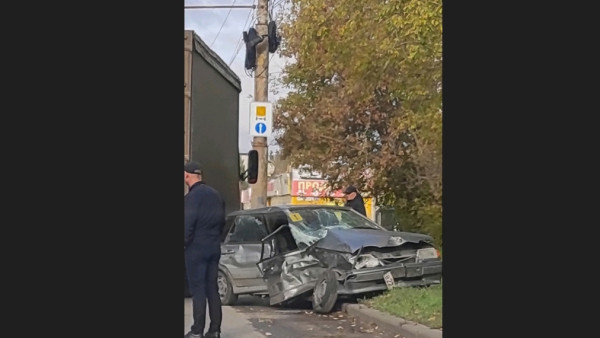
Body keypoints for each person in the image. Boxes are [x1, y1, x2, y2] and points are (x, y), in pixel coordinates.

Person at [184, 161, 224, 338]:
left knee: (198, 289)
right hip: (214, 247)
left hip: (196, 248)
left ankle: (197, 330)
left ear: (187, 176)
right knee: (212, 289)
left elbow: (187, 224)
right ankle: (214, 330)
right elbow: (223, 222)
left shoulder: (191, 198)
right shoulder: (216, 195)